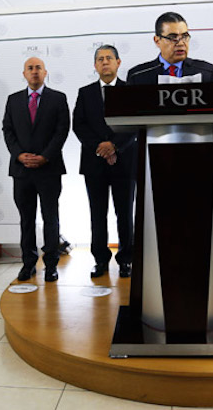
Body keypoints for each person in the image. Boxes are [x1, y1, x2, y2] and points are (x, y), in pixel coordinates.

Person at [2, 57, 70, 282]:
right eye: (30, 68)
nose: (34, 72)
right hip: (22, 171)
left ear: (45, 72)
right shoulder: (13, 100)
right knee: (26, 219)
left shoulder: (58, 98)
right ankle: (28, 263)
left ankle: (51, 264)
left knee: (51, 218)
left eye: (38, 68)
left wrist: (44, 157)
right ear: (24, 74)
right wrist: (19, 155)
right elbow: (8, 130)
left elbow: (62, 131)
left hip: (48, 169)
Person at [73, 45, 136, 279]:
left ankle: (126, 259)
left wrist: (114, 146)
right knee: (97, 214)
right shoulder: (85, 92)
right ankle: (100, 260)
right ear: (95, 66)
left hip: (125, 161)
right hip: (94, 163)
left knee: (125, 214)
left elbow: (134, 125)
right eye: (100, 59)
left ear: (118, 63)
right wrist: (101, 148)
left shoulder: (129, 91)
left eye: (109, 58)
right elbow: (79, 125)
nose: (105, 62)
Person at [127, 11, 213, 84]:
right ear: (157, 41)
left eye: (184, 36)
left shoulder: (206, 72)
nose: (181, 43)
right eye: (172, 37)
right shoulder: (138, 76)